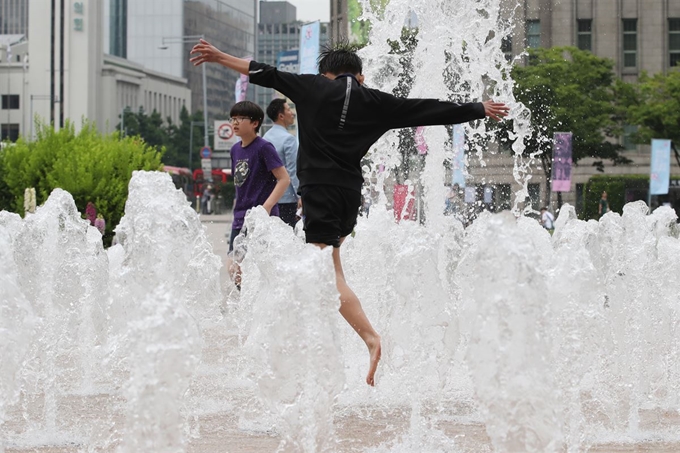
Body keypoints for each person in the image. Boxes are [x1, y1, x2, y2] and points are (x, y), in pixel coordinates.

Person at [190, 39, 509, 386]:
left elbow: (264, 73)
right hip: (349, 196)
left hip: (319, 192)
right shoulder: (376, 101)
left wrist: (220, 56)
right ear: (360, 76)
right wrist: (478, 108)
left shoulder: (313, 87)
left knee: (324, 273)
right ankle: (321, 343)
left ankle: (368, 338)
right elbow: (427, 109)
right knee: (330, 266)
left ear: (326, 73)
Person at [228, 100, 291, 288]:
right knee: (233, 268)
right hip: (240, 218)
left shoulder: (264, 147)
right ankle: (247, 306)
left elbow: (284, 179)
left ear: (255, 123)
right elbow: (240, 184)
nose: (235, 123)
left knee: (261, 267)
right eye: (232, 119)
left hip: (262, 218)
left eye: (240, 118)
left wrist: (267, 207)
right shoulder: (235, 150)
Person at [263, 98, 301, 228]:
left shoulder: (265, 138)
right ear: (281, 116)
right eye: (289, 109)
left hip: (270, 198)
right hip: (287, 198)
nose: (292, 113)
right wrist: (300, 195)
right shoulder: (288, 139)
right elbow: (292, 170)